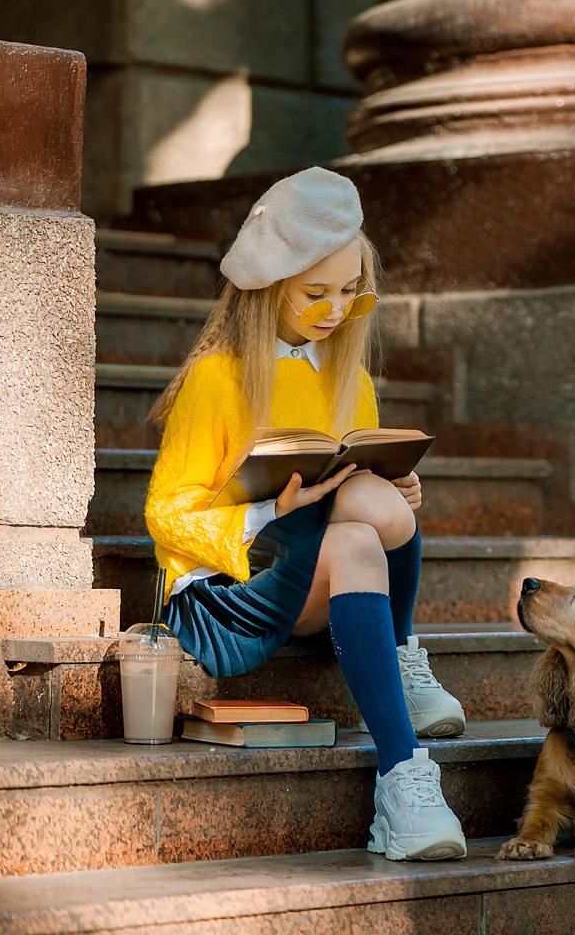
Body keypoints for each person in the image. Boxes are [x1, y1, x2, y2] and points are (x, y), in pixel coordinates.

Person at [144, 167, 468, 862]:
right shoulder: (217, 377)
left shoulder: (352, 380)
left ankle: (402, 770)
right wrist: (269, 511)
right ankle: (404, 709)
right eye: (315, 293)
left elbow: (366, 482)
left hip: (319, 572)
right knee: (356, 511)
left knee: (367, 513)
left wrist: (400, 494)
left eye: (349, 293)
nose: (333, 309)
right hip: (222, 595)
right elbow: (166, 512)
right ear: (268, 287)